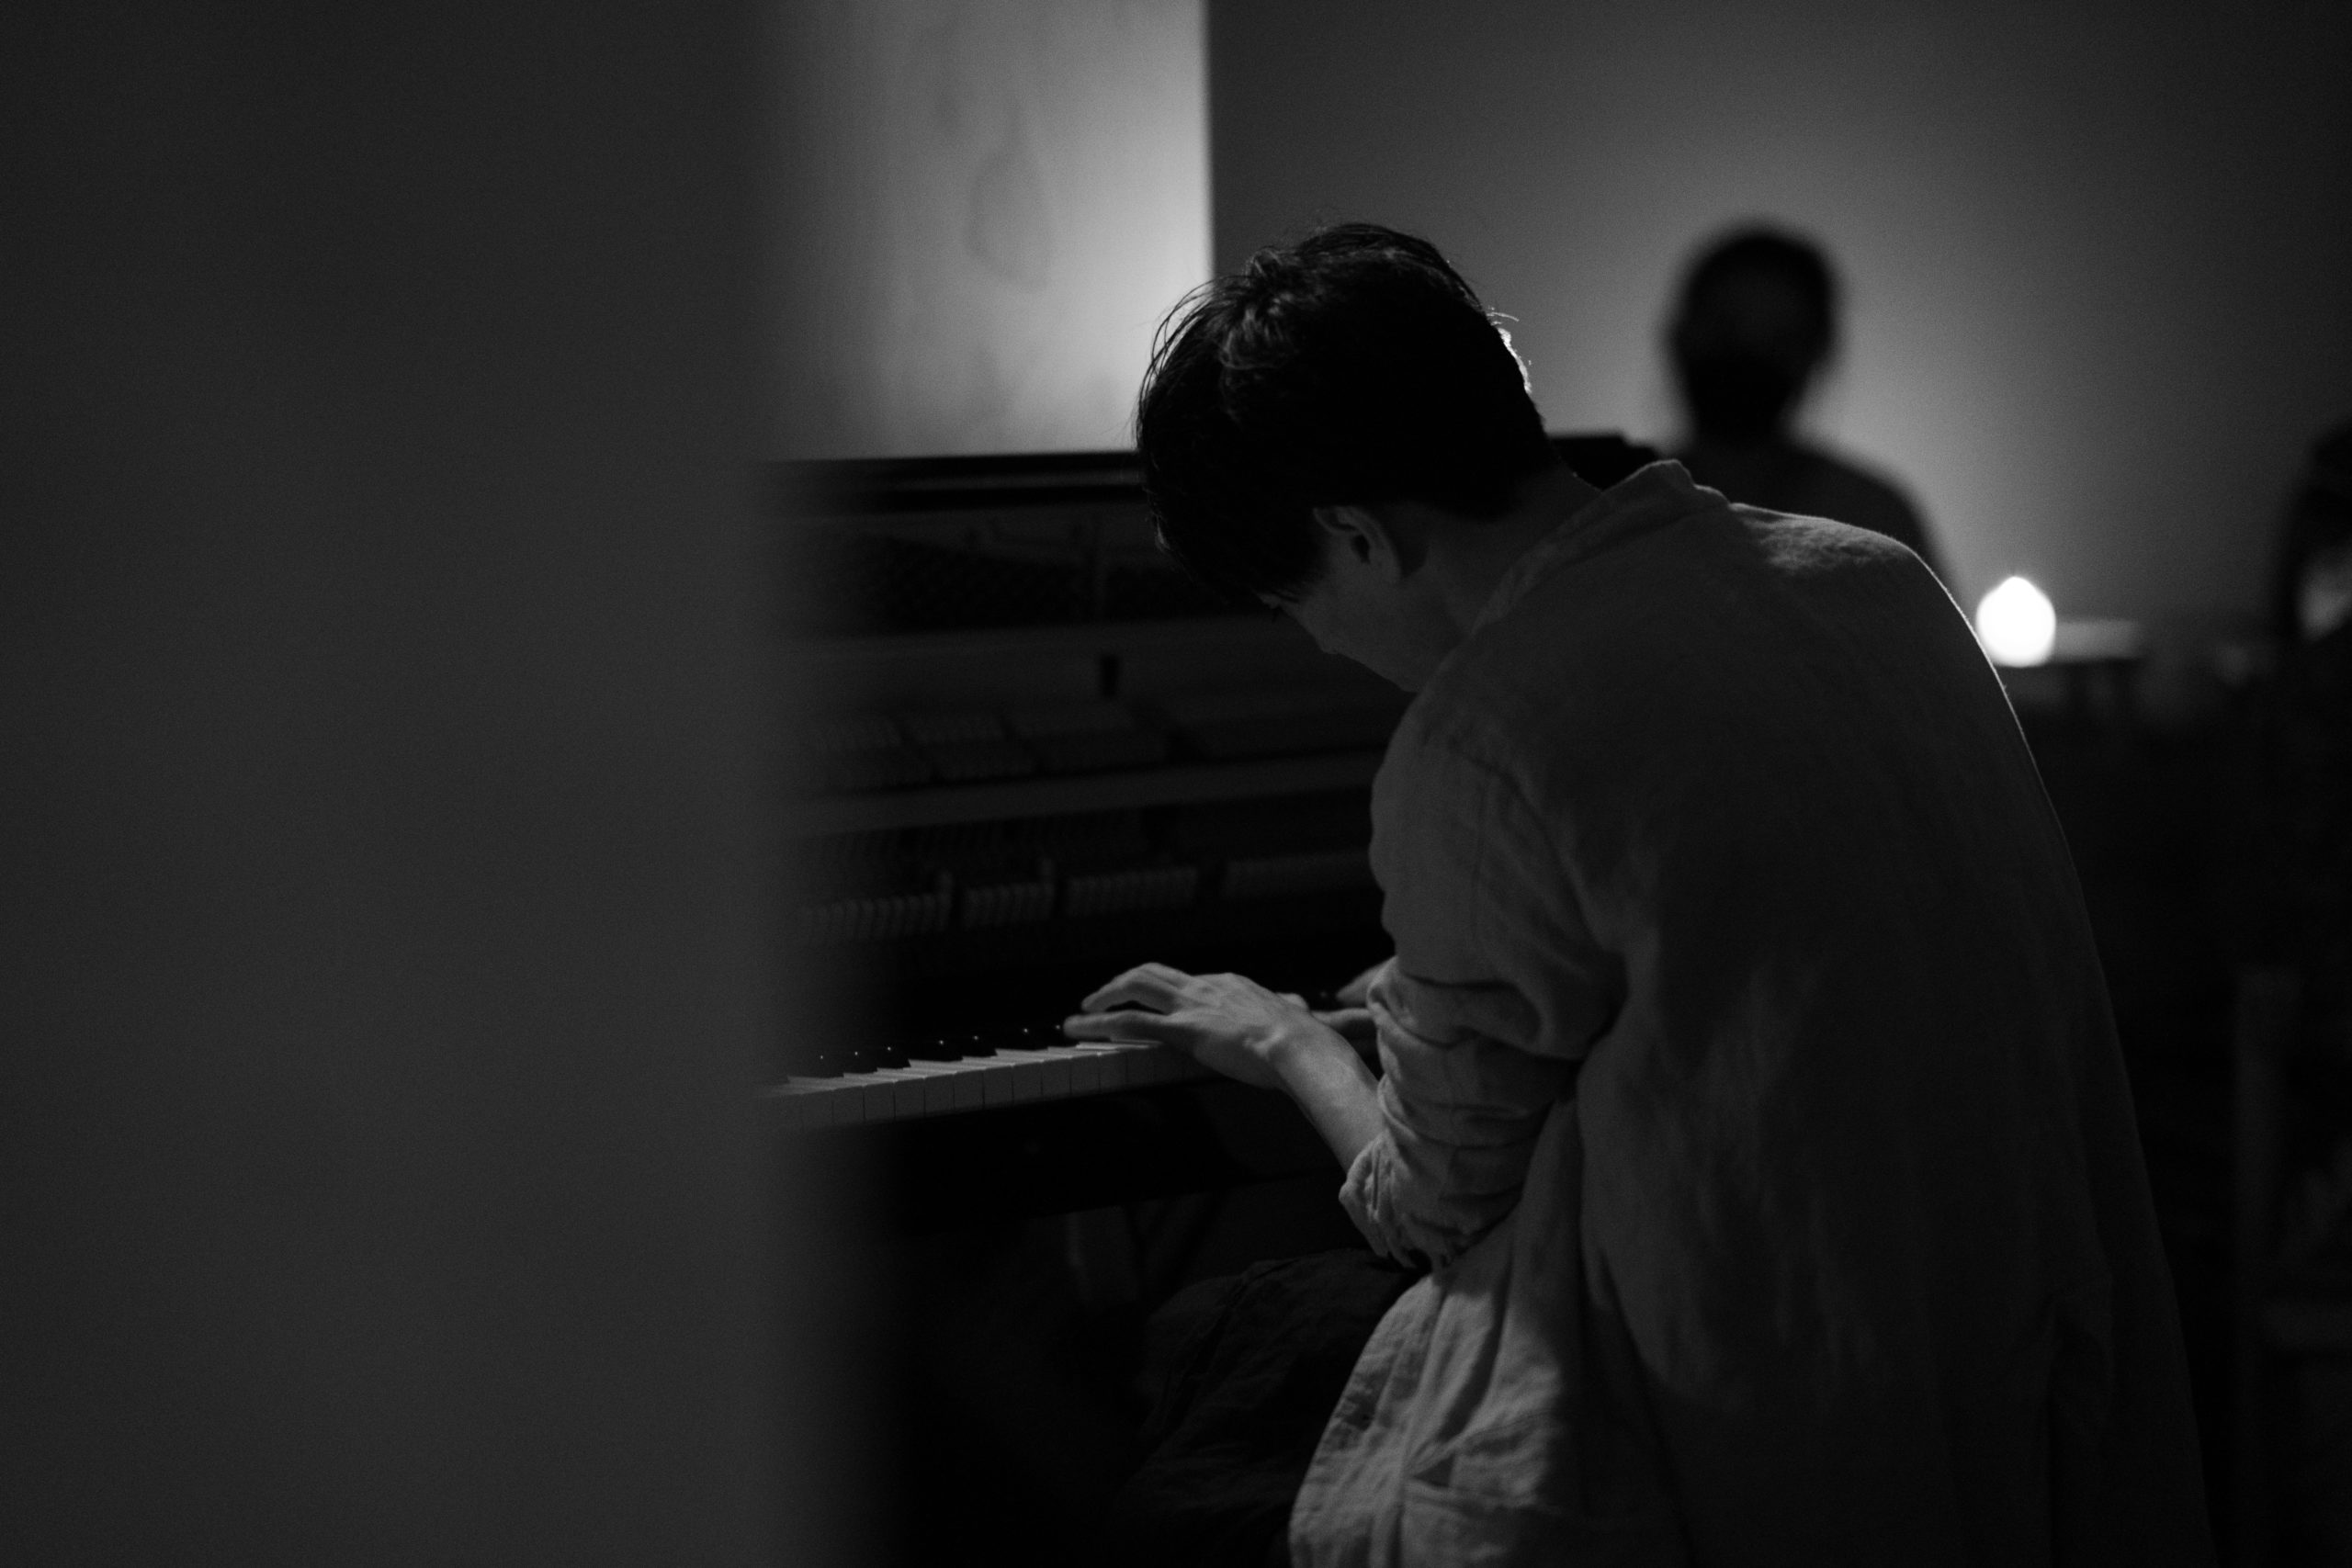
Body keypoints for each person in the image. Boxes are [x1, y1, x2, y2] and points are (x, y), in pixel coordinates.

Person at [1063, 222, 2213, 1563]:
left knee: (1192, 1396)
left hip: (1761, 1419)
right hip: (2013, 1369)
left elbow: (1430, 1211)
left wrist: (1282, 1040)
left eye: (1293, 601)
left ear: (1354, 536)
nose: (1318, 642)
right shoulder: (1879, 582)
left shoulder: (1479, 734)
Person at [1666, 225, 1948, 586]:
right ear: (1680, 335)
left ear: (1816, 355)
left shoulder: (1872, 520)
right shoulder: (1618, 508)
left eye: (1781, 339)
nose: (1748, 355)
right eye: (1726, 327)